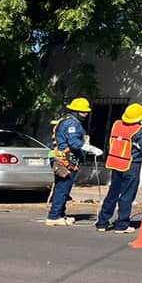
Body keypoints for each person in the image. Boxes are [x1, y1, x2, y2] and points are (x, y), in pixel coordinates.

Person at [94, 103, 142, 233]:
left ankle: (102, 223)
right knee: (127, 195)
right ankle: (121, 225)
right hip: (131, 165)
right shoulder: (141, 131)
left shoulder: (117, 125)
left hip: (116, 163)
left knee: (112, 194)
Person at [46, 97, 103, 227]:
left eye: (86, 111)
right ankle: (54, 216)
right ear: (76, 111)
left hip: (61, 157)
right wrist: (90, 148)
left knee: (62, 188)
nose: (86, 114)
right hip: (66, 159)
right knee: (63, 188)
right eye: (83, 112)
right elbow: (74, 142)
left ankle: (60, 214)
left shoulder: (66, 120)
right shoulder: (73, 124)